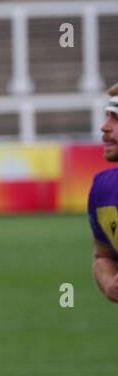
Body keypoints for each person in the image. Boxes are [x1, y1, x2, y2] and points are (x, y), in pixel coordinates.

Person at [88, 83, 118, 303]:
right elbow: (103, 256)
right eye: (106, 116)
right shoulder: (102, 188)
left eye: (115, 118)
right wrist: (110, 285)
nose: (104, 127)